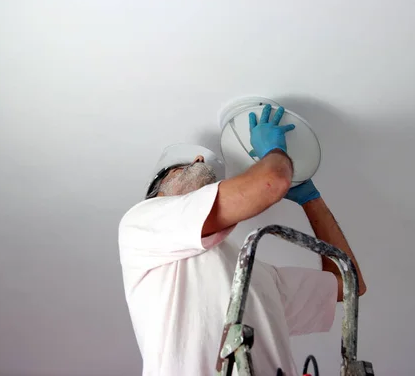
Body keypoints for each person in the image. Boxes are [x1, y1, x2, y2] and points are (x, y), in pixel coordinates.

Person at [118, 105, 366, 376]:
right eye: (181, 167)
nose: (200, 159)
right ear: (161, 185)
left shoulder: (255, 276)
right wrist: (274, 153)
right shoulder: (142, 224)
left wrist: (311, 200)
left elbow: (349, 284)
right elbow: (271, 181)